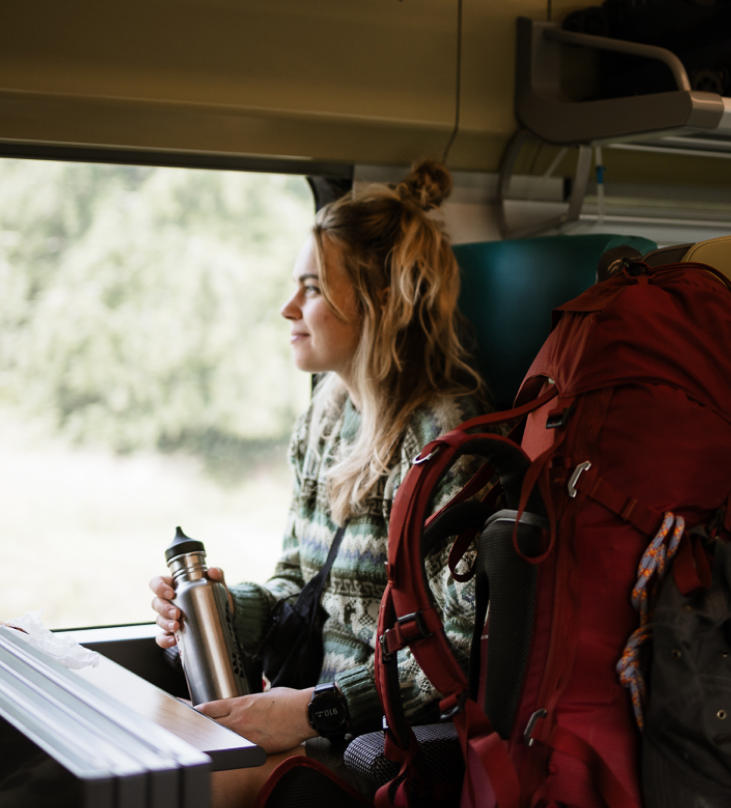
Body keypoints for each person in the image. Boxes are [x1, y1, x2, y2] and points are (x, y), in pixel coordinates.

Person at [147, 157, 486, 806]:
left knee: (172, 788)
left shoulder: (445, 444)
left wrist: (313, 711)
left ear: (380, 302)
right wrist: (218, 613)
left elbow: (460, 653)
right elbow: (297, 586)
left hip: (368, 742)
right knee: (131, 759)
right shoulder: (325, 421)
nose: (287, 308)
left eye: (311, 287)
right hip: (306, 715)